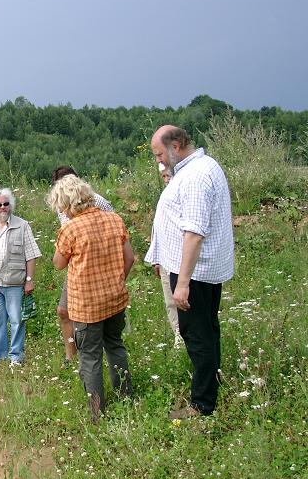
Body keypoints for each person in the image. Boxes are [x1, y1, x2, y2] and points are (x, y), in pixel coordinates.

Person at [146, 125, 234, 419]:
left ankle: (202, 405)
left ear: (176, 146)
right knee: (206, 330)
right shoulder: (198, 168)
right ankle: (213, 385)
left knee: (197, 335)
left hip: (194, 272)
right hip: (199, 269)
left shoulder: (195, 176)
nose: (159, 161)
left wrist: (182, 283)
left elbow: (194, 233)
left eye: (159, 154)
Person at [50, 175, 134, 423]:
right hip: (115, 299)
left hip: (87, 305)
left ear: (66, 203)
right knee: (115, 345)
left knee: (90, 355)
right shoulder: (114, 219)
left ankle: (97, 412)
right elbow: (129, 258)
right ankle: (125, 397)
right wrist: (117, 281)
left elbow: (58, 263)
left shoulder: (70, 229)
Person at [50, 165, 115, 367]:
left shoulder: (99, 201)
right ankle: (70, 356)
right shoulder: (62, 206)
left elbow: (113, 228)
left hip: (98, 265)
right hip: (76, 264)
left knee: (94, 317)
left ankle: (93, 356)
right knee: (63, 311)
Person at [0, 188, 42, 370]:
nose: (3, 207)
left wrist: (29, 279)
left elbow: (31, 256)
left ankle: (16, 357)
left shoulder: (22, 225)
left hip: (14, 283)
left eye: (6, 204)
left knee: (17, 321)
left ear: (10, 205)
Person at [154, 164, 183, 348]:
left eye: (168, 176)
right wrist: (156, 258)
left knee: (182, 300)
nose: (166, 180)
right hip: (165, 258)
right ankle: (178, 337)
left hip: (180, 259)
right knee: (170, 301)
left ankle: (189, 337)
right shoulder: (165, 196)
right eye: (163, 177)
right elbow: (159, 229)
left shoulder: (183, 193)